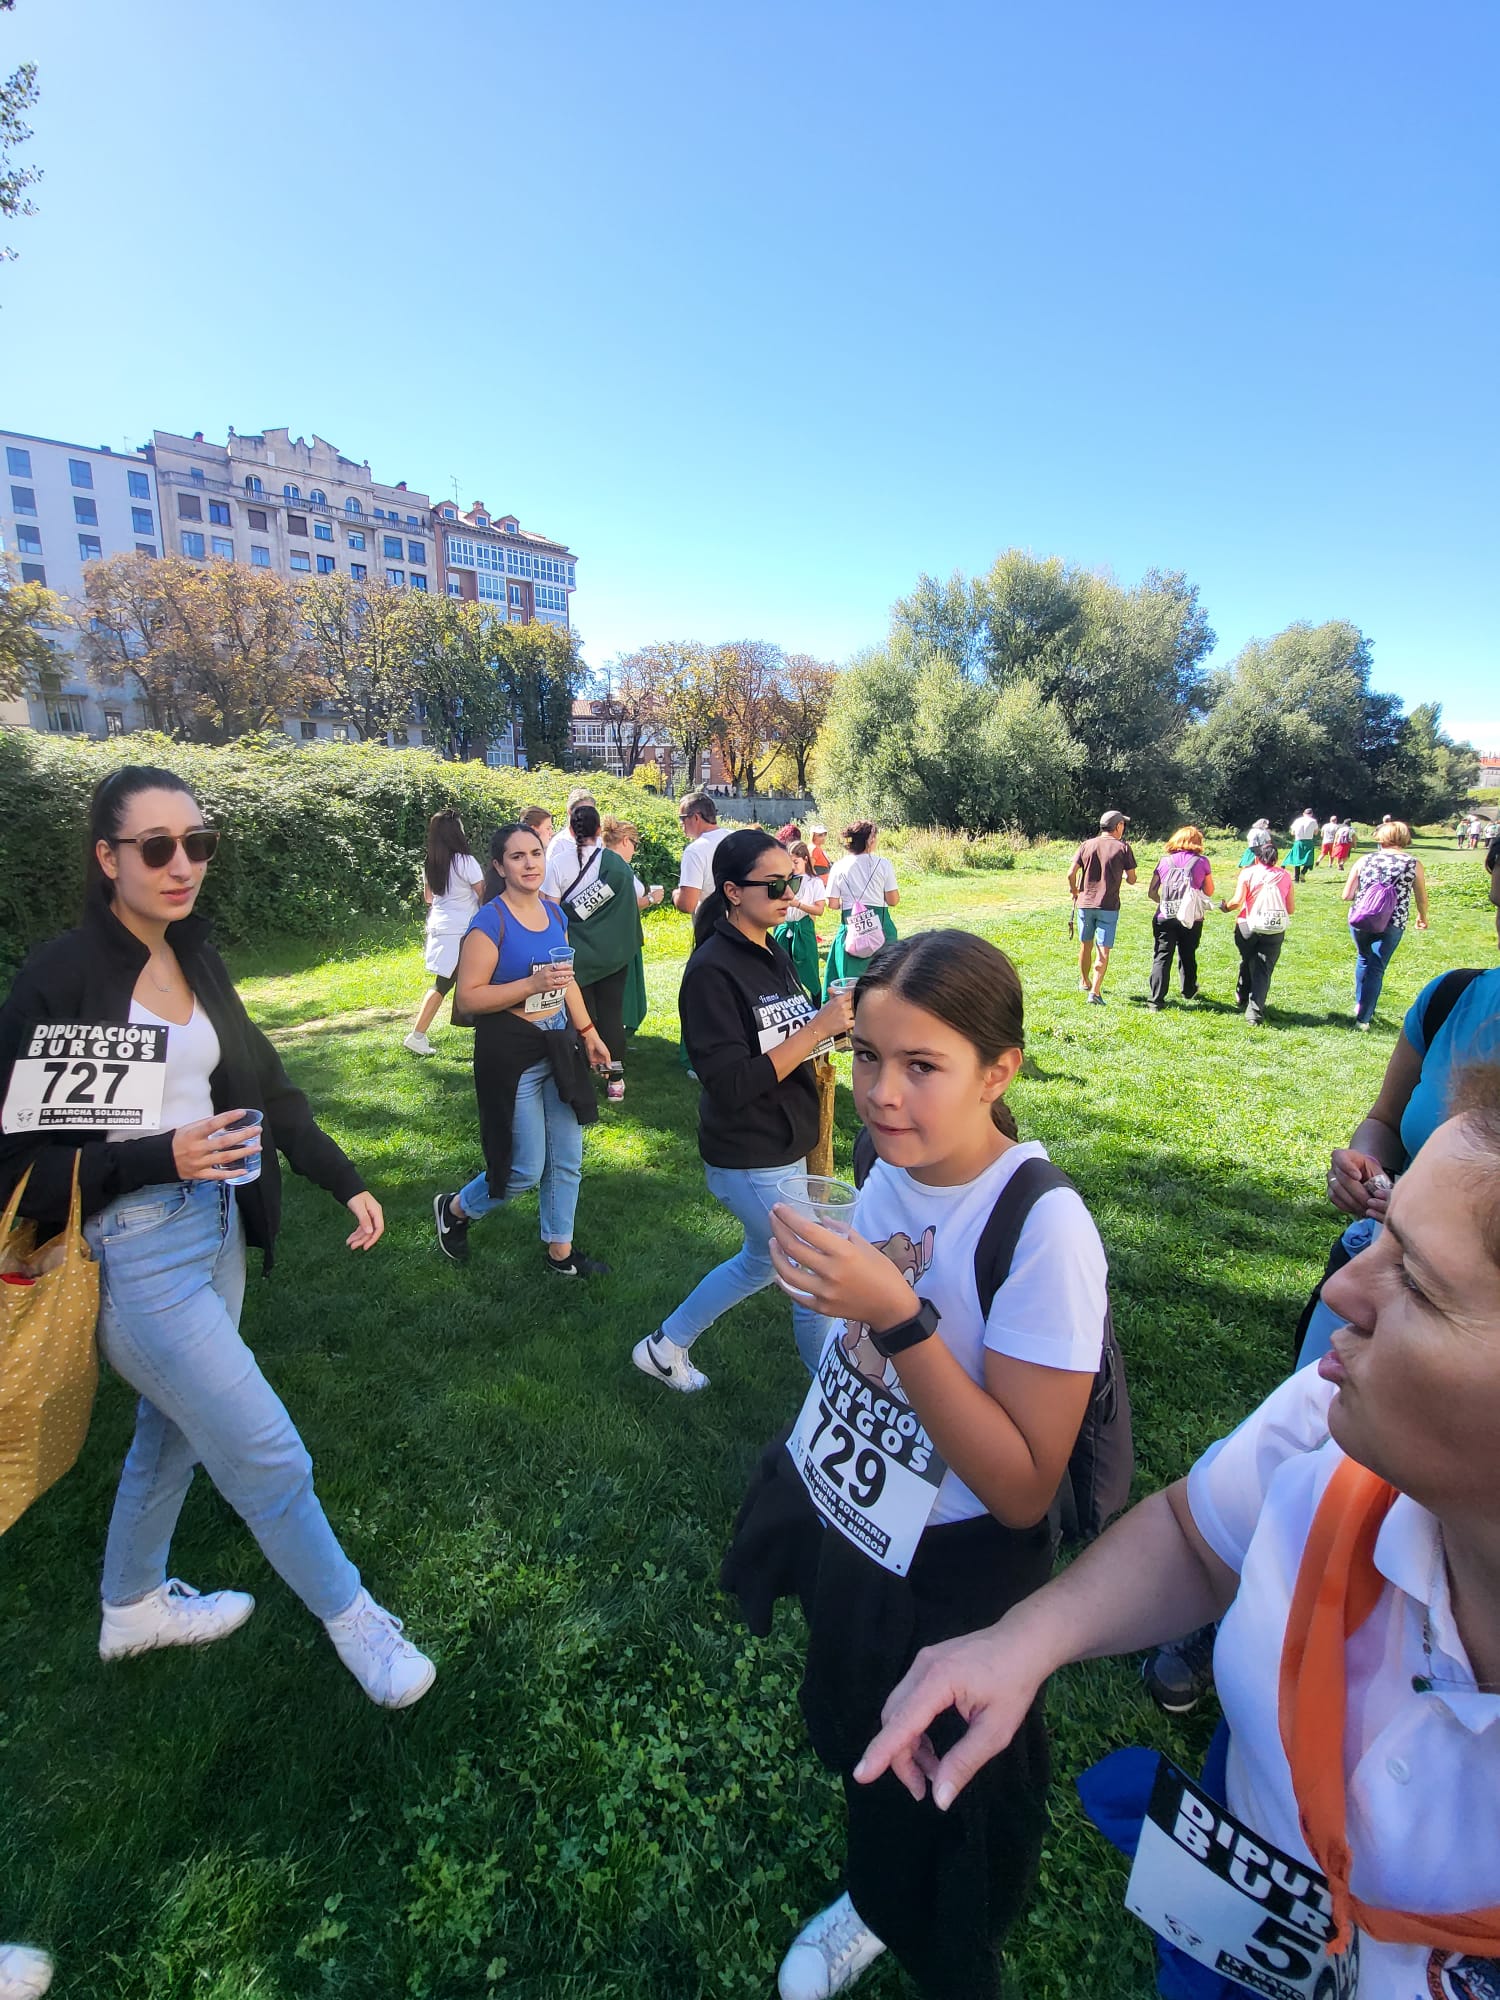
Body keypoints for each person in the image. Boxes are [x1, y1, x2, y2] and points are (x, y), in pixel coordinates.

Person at [855, 1084, 1500, 2000]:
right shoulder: (1326, 1426)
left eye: (1421, 1285)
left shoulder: (1043, 1222)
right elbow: (1197, 1538)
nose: (1340, 1289)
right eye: (1381, 1240)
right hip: (1245, 1937)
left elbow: (1025, 1482)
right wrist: (1021, 1642)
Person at [0, 766, 433, 1709]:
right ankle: (355, 1619)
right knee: (269, 1452)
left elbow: (266, 1086)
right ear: (107, 858)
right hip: (133, 1255)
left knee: (174, 1432)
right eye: (157, 847)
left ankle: (132, 1607)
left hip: (218, 1228)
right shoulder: (60, 978)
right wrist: (157, 1156)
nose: (182, 865)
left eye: (198, 844)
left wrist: (342, 1177)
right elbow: (16, 1168)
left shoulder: (194, 956)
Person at [730, 931, 1107, 2000]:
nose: (882, 1092)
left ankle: (933, 1938)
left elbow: (1023, 1486)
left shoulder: (1043, 1230)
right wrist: (847, 1306)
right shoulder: (886, 1164)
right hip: (863, 1529)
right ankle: (872, 1895)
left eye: (921, 1065)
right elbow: (870, 1336)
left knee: (947, 1797)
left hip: (959, 1572)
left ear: (999, 1072)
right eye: (866, 1056)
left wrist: (896, 1318)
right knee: (864, 1730)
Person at [633, 829, 856, 1389]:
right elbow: (731, 1084)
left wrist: (830, 1032)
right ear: (733, 891)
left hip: (786, 1138)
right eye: (774, 885)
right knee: (811, 1268)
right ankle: (832, 1396)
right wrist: (816, 1031)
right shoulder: (711, 972)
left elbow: (786, 1035)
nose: (790, 895)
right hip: (750, 1152)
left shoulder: (770, 948)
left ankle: (665, 1347)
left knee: (761, 1260)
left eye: (792, 881)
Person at [433, 822, 614, 1276]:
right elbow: (468, 999)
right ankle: (455, 1209)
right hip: (512, 1054)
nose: (530, 863)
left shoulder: (555, 914)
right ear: (499, 866)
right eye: (517, 856)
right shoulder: (489, 922)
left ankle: (560, 1253)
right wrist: (529, 985)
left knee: (567, 1158)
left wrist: (589, 1031)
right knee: (523, 1170)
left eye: (536, 853)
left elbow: (565, 979)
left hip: (558, 1043)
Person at [569, 814, 660, 1103]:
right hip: (612, 956)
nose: (634, 849)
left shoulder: (566, 861)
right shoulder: (619, 868)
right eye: (634, 843)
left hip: (579, 954)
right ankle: (615, 1080)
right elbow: (637, 895)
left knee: (583, 1019)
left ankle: (583, 1076)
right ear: (623, 841)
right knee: (611, 1017)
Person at [403, 809, 485, 1056]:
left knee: (445, 984)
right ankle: (417, 1035)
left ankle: (418, 1035)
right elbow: (483, 894)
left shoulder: (431, 861)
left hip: (440, 927)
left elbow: (429, 897)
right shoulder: (465, 862)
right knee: (455, 984)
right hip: (462, 930)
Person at [1342, 819, 1429, 1030]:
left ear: (1381, 838)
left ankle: (1360, 1003)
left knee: (1364, 958)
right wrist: (1422, 916)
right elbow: (1421, 897)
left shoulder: (1365, 860)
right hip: (1393, 921)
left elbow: (1347, 895)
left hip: (1362, 918)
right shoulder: (1412, 864)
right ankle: (1363, 1019)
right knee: (1377, 967)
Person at [1219, 838, 1294, 1026]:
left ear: (1257, 858)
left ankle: (1242, 994)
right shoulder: (1285, 876)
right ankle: (1254, 1013)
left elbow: (1237, 901)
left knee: (1248, 959)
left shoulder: (1248, 873)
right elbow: (1290, 908)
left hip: (1247, 926)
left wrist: (1226, 907)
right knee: (1263, 970)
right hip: (1273, 928)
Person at [822, 823, 900, 999]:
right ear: (870, 840)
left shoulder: (839, 866)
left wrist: (853, 906)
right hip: (881, 928)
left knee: (850, 988)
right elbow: (893, 900)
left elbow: (832, 903)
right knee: (885, 981)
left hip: (851, 929)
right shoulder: (883, 864)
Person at [1067, 810, 1137, 1006]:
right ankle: (1095, 992)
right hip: (1108, 906)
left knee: (1085, 944)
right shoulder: (1123, 848)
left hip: (1085, 903)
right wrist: (1125, 876)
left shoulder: (1086, 845)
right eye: (1123, 825)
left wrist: (1074, 890)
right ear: (1118, 826)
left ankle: (1084, 981)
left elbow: (1071, 873)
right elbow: (1132, 879)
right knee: (1103, 949)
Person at [1146, 827, 1215, 1011]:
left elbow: (1151, 892)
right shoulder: (1202, 862)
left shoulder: (1164, 861)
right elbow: (1209, 891)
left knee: (1162, 956)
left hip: (1165, 915)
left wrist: (1164, 902)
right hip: (1191, 917)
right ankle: (1188, 990)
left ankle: (1155, 1000)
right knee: (1188, 953)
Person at [771, 840, 828, 1004]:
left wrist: (798, 904)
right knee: (782, 970)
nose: (793, 867)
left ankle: (816, 1007)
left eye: (796, 862)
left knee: (810, 970)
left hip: (803, 928)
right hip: (784, 927)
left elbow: (819, 910)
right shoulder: (785, 881)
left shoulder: (814, 882)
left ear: (805, 859)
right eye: (789, 863)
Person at [671, 790, 730, 918]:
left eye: (682, 818)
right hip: (748, 921)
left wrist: (675, 895)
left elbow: (687, 905)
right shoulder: (737, 837)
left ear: (696, 817)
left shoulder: (695, 850)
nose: (680, 823)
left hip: (714, 923)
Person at [543, 798, 604, 904]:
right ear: (599, 830)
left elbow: (552, 908)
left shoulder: (557, 863)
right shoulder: (613, 861)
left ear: (571, 831)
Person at [1287, 806, 1320, 883]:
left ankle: (1296, 879)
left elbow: (1292, 833)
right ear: (1311, 814)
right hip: (1308, 841)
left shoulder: (1297, 820)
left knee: (1297, 860)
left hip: (1298, 841)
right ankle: (1303, 872)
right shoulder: (1313, 821)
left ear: (1303, 813)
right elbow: (1316, 833)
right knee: (1309, 859)